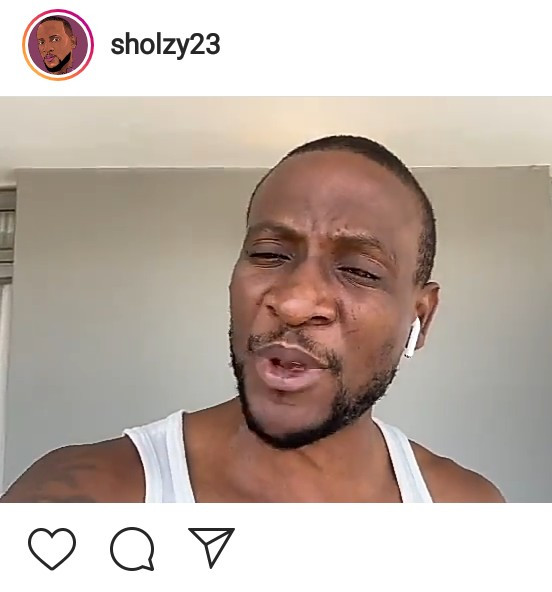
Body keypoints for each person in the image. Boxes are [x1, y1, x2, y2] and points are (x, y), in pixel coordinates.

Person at [1, 135, 503, 503]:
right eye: (268, 254)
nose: (295, 303)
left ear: (421, 317)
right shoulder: (84, 497)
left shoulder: (466, 512)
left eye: (358, 270)